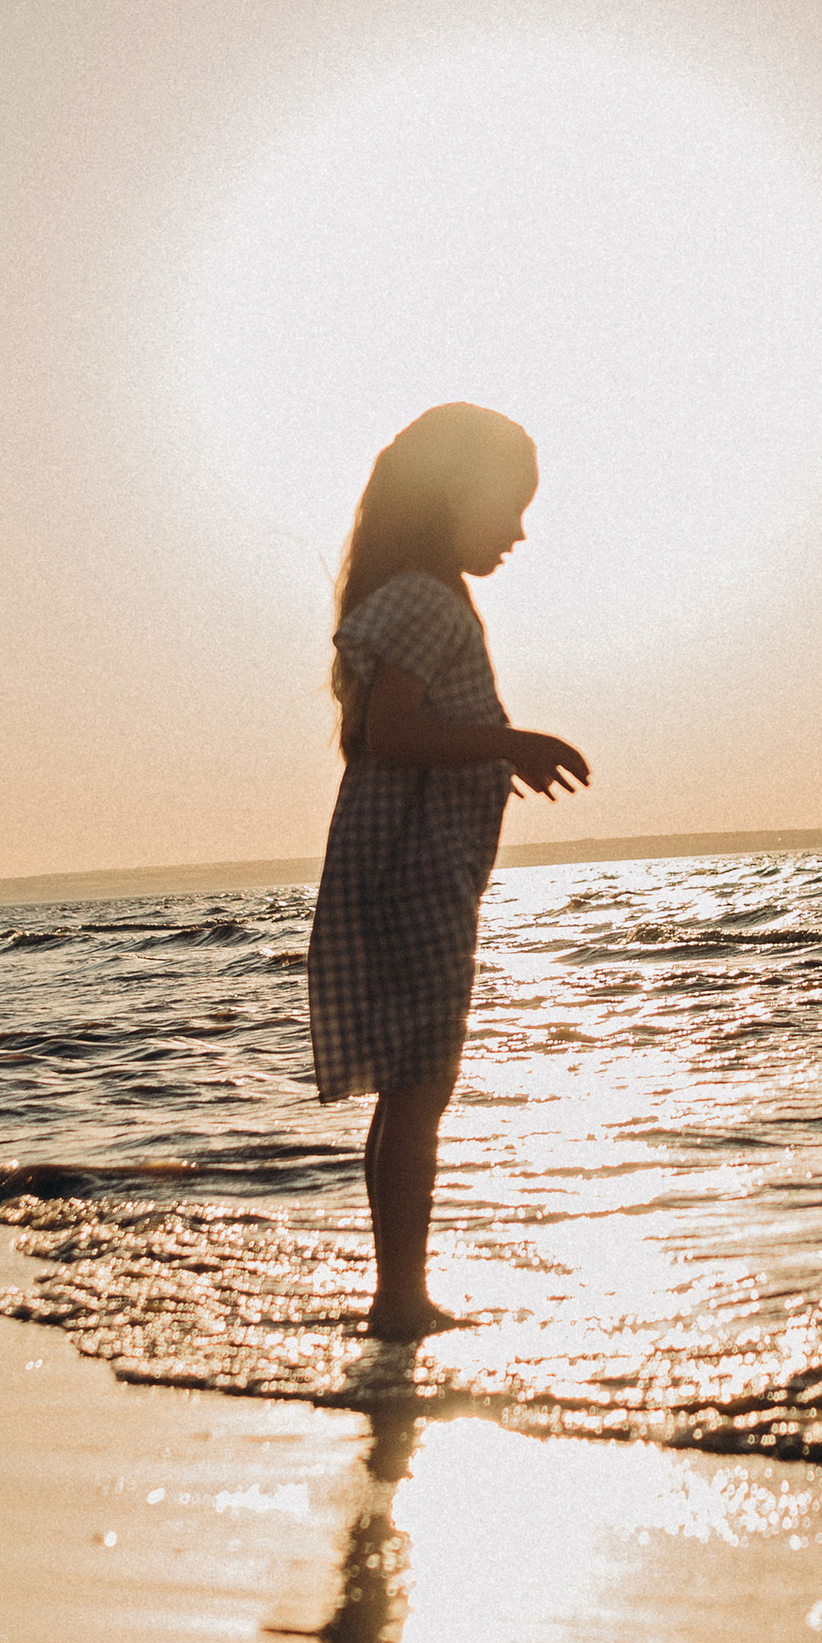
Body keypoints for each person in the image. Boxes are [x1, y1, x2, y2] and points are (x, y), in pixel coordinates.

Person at [306, 402, 589, 1338]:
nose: (518, 530)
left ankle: (397, 1292)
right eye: (508, 506)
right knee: (422, 1087)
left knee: (409, 1088)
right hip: (413, 870)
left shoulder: (412, 595)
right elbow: (391, 733)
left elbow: (390, 731)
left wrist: (492, 753)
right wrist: (510, 740)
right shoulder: (427, 599)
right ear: (449, 496)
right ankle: (401, 1298)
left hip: (404, 864)